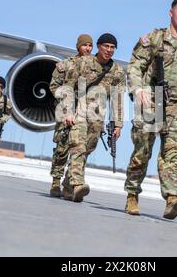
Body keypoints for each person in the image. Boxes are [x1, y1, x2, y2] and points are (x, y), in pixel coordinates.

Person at [124, 0, 177, 219]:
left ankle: (171, 199)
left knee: (171, 153)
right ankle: (132, 194)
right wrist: (138, 89)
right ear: (170, 13)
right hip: (152, 101)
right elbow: (134, 66)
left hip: (176, 106)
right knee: (143, 152)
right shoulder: (154, 38)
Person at [61, 33, 125, 202]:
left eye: (112, 47)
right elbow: (67, 86)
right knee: (78, 147)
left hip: (97, 117)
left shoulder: (117, 72)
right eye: (106, 46)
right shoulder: (83, 63)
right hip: (78, 113)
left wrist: (117, 124)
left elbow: (117, 100)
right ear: (98, 46)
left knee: (87, 149)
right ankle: (78, 184)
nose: (109, 50)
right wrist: (67, 111)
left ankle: (68, 187)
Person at [49, 34, 93, 197]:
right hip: (65, 110)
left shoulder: (95, 68)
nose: (87, 48)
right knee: (62, 147)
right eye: (85, 45)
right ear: (78, 46)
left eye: (90, 46)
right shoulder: (65, 65)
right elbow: (53, 87)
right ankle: (55, 181)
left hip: (84, 113)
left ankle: (69, 185)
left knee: (79, 148)